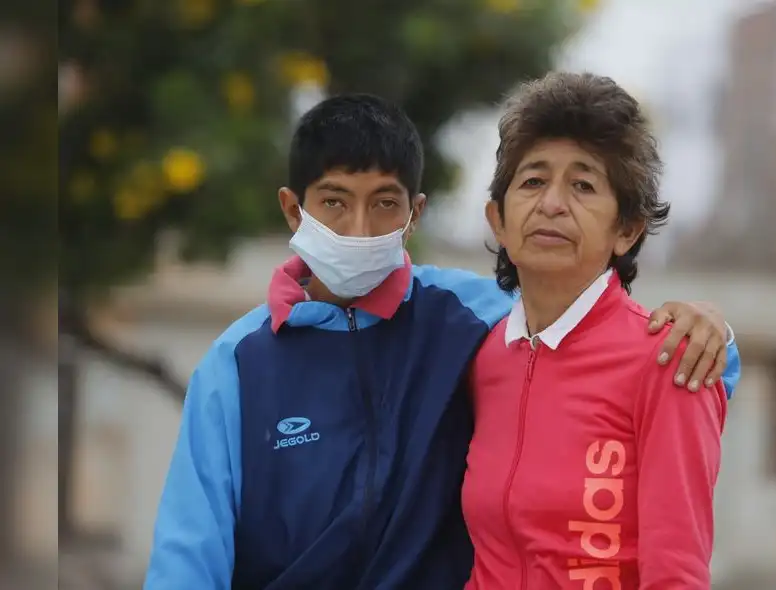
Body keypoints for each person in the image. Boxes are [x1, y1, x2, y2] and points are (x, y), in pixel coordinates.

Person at [143, 94, 740, 589]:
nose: (358, 228)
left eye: (384, 204)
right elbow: (187, 560)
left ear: (415, 214)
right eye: (333, 202)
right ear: (294, 211)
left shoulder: (467, 321)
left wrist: (711, 329)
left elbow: (626, 347)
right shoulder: (237, 363)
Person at [464, 72, 727, 589]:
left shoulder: (671, 358)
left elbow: (676, 575)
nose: (552, 204)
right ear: (498, 219)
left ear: (626, 230)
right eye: (533, 181)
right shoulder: (481, 357)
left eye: (583, 185)